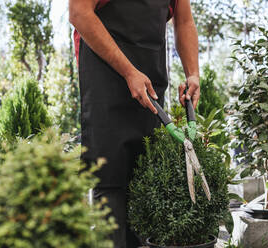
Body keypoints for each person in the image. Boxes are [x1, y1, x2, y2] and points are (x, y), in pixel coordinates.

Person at [68, 0, 200, 247]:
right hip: (105, 79)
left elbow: (184, 21)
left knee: (148, 180)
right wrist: (129, 72)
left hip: (150, 81)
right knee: (110, 180)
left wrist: (193, 73)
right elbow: (79, 13)